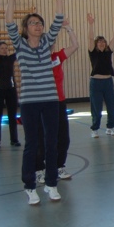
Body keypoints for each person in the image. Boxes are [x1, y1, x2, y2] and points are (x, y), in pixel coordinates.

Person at [4, 0, 65, 205]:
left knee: (51, 143)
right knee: (32, 144)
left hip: (50, 100)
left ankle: (51, 184)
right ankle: (30, 186)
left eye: (40, 23)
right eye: (33, 23)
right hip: (30, 102)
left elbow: (59, 18)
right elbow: (8, 21)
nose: (38, 26)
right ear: (25, 28)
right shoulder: (19, 44)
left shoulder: (47, 41)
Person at [35, 19, 79, 183]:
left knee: (63, 137)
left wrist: (68, 28)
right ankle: (39, 169)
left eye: (52, 43)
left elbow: (75, 46)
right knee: (41, 137)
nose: (51, 46)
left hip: (59, 102)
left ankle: (59, 166)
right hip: (41, 103)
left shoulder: (57, 58)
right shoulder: (35, 59)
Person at [87, 13, 114, 138]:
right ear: (96, 44)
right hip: (96, 83)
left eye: (103, 42)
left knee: (111, 106)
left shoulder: (108, 52)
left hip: (108, 82)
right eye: (99, 42)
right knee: (96, 107)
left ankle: (110, 127)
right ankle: (95, 129)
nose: (101, 43)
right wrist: (91, 24)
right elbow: (90, 39)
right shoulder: (93, 52)